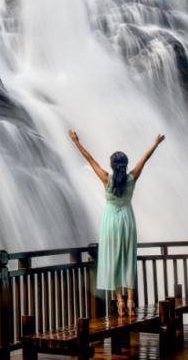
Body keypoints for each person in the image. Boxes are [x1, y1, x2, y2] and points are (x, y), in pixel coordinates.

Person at [69, 129, 165, 316]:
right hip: (128, 220)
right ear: (125, 165)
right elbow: (144, 159)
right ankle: (130, 301)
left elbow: (90, 160)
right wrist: (155, 143)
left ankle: (119, 301)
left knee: (113, 258)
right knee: (128, 258)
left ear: (112, 166)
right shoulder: (132, 178)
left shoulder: (106, 179)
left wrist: (76, 142)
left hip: (111, 221)